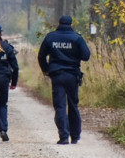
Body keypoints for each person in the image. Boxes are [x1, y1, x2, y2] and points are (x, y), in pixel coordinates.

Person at [37, 15, 91, 144]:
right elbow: (86, 56)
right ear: (71, 25)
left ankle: (63, 136)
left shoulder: (51, 37)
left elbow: (41, 56)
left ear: (58, 23)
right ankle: (75, 136)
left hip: (57, 75)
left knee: (60, 106)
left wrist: (46, 70)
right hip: (72, 75)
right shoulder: (77, 38)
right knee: (73, 105)